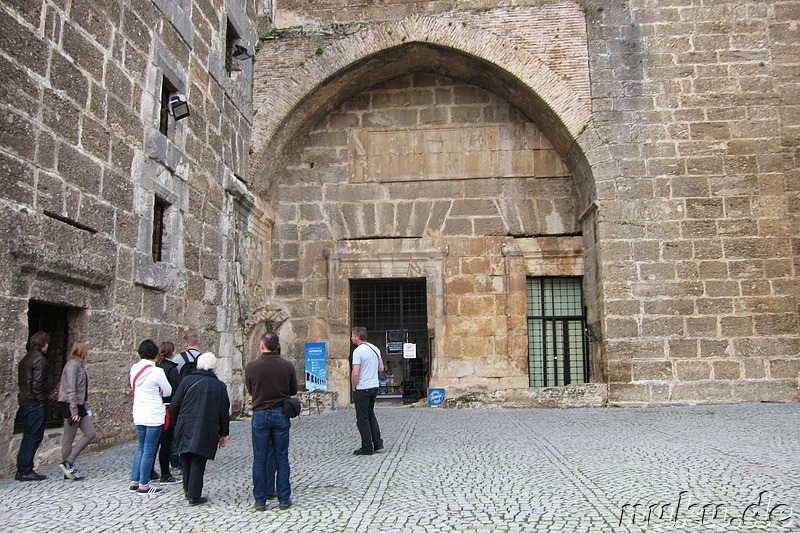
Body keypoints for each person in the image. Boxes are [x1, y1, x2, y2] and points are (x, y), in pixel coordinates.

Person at [245, 332, 298, 511]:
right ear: (277, 346)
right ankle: (284, 498)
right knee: (281, 456)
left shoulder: (252, 366)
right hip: (280, 413)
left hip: (260, 414)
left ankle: (260, 500)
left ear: (262, 346)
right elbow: (292, 389)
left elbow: (250, 389)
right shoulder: (287, 366)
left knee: (259, 458)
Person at [169, 352, 230, 506]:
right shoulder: (219, 386)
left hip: (185, 423)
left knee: (187, 456)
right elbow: (224, 411)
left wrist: (176, 422)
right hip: (206, 425)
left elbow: (175, 404)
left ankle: (188, 489)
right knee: (198, 459)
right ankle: (194, 494)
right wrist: (223, 432)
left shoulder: (187, 381)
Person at [129, 339, 171, 495]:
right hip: (153, 414)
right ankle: (144, 484)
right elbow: (167, 390)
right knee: (149, 449)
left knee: (140, 447)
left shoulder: (134, 369)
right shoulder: (156, 372)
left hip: (139, 412)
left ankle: (135, 481)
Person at [57, 341, 97, 481]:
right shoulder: (73, 366)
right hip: (71, 405)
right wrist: (73, 411)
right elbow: (71, 389)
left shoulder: (79, 365)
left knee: (90, 433)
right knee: (68, 438)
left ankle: (68, 462)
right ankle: (68, 467)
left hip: (79, 405)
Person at [15, 331, 50, 481]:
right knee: (33, 437)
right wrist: (43, 401)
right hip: (34, 404)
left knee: (28, 436)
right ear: (44, 344)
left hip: (25, 402)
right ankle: (25, 469)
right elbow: (37, 384)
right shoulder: (38, 359)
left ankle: (23, 467)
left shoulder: (26, 359)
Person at [350, 326, 384, 456]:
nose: (351, 337)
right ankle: (378, 443)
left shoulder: (358, 351)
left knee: (362, 418)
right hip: (374, 385)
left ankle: (367, 447)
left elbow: (355, 372)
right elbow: (381, 368)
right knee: (371, 414)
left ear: (358, 336)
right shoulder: (375, 348)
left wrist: (354, 386)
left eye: (353, 335)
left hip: (362, 387)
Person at [152, 341, 180, 484]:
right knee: (166, 442)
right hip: (167, 408)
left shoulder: (157, 367)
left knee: (155, 442)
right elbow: (176, 389)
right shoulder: (171, 369)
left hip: (156, 407)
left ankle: (150, 470)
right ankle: (165, 473)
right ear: (172, 353)